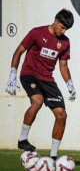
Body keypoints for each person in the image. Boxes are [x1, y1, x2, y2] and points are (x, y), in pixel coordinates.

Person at [5, 9, 76, 160]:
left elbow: (63, 66)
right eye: (62, 27)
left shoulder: (65, 42)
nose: (63, 31)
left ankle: (53, 157)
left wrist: (69, 83)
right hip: (29, 74)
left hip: (47, 79)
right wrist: (12, 75)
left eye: (66, 29)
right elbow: (18, 52)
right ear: (56, 21)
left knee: (62, 115)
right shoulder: (36, 33)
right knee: (38, 100)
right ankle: (22, 139)